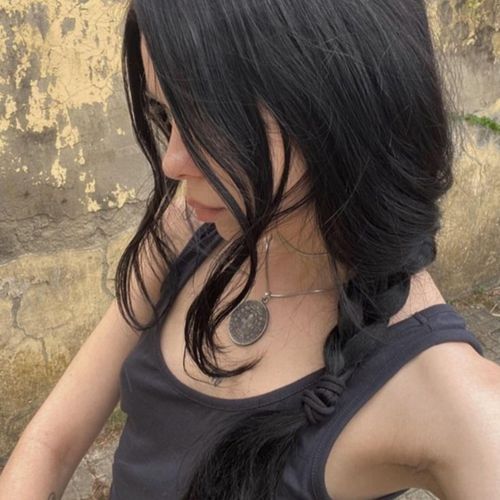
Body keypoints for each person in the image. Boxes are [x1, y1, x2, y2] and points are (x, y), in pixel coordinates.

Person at [1, 0, 499, 498]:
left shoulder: (442, 391)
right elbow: (51, 443)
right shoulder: (186, 231)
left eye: (211, 117)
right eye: (166, 115)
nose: (172, 162)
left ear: (339, 107)